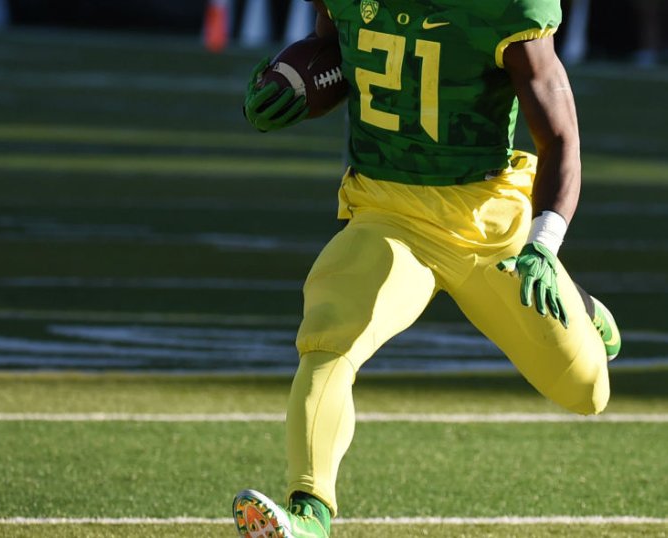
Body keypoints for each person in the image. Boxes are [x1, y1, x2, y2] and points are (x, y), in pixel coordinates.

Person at [232, 0, 621, 536]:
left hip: (486, 220)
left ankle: (583, 307)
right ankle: (310, 512)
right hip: (385, 209)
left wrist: (545, 244)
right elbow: (335, 49)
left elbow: (559, 138)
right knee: (330, 337)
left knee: (586, 390)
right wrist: (290, 81)